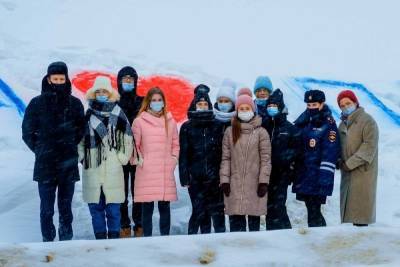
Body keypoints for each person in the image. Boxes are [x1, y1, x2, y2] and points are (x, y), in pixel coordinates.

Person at [22, 61, 85, 242]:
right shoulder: (36, 103)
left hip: (68, 164)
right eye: (55, 78)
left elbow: (81, 129)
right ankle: (47, 243)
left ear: (66, 79)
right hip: (46, 165)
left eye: (61, 78)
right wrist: (41, 149)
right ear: (48, 79)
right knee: (46, 209)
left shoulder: (75, 104)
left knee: (66, 208)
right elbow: (27, 132)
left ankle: (65, 243)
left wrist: (69, 145)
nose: (58, 81)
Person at [79, 76, 134, 240]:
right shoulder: (88, 115)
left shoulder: (118, 114)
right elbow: (80, 141)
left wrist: (121, 158)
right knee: (96, 209)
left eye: (104, 91)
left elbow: (127, 139)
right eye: (98, 92)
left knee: (113, 210)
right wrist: (84, 158)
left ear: (110, 94)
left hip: (113, 168)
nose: (101, 94)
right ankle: (100, 240)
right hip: (93, 167)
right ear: (94, 94)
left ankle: (115, 241)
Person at [220, 91, 271, 232]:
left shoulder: (261, 132)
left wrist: (263, 182)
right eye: (241, 109)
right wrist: (224, 180)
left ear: (252, 110)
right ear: (237, 111)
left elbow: (266, 160)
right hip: (234, 184)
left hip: (254, 185)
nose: (244, 111)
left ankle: (255, 253)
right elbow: (226, 158)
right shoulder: (230, 132)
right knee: (236, 225)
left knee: (254, 226)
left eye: (247, 108)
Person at [131, 87, 179, 237]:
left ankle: (165, 238)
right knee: (147, 207)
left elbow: (175, 145)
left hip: (165, 169)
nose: (157, 103)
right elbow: (134, 146)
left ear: (164, 102)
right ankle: (148, 240)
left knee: (165, 206)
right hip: (147, 170)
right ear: (148, 102)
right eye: (154, 100)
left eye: (159, 100)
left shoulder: (170, 121)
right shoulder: (139, 121)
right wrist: (140, 161)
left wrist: (173, 160)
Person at [179, 84, 226, 234]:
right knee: (199, 212)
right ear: (194, 105)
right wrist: (185, 176)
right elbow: (184, 153)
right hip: (196, 179)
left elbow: (222, 152)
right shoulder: (187, 127)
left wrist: (222, 175)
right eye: (200, 104)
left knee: (217, 213)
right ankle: (192, 241)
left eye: (206, 104)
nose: (203, 106)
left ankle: (221, 241)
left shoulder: (217, 125)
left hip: (215, 179)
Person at [293, 90, 340, 227]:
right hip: (305, 175)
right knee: (311, 209)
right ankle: (318, 238)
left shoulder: (328, 123)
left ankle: (320, 239)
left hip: (318, 176)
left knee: (314, 210)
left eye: (314, 104)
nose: (311, 107)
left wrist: (325, 177)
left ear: (321, 104)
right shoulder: (304, 120)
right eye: (309, 105)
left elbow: (330, 151)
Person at [337, 90, 379, 227]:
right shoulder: (342, 125)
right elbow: (338, 146)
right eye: (342, 105)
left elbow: (369, 147)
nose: (345, 107)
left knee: (360, 216)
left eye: (348, 103)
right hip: (347, 173)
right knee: (349, 216)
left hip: (363, 173)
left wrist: (350, 163)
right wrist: (338, 160)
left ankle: (363, 245)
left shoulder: (368, 121)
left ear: (355, 103)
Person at [263, 89, 301, 230]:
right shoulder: (264, 126)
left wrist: (285, 160)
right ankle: (271, 235)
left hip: (282, 174)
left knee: (279, 205)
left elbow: (297, 150)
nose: (272, 108)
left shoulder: (289, 128)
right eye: (269, 106)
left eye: (274, 106)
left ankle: (285, 233)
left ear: (280, 107)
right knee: (268, 206)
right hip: (266, 174)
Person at [117, 66, 144, 238]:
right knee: (121, 192)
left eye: (131, 79)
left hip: (138, 154)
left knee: (138, 192)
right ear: (119, 81)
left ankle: (139, 226)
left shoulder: (142, 102)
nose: (128, 82)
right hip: (118, 154)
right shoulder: (114, 102)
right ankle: (123, 226)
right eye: (125, 79)